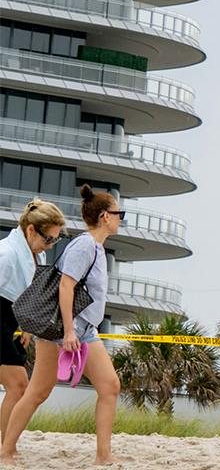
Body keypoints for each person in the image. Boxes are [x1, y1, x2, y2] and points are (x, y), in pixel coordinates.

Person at [1, 187, 121, 465]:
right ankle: (7, 450)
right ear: (105, 216)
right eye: (118, 214)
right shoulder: (84, 246)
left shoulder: (95, 247)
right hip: (68, 332)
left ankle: (103, 455)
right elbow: (65, 287)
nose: (120, 219)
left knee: (103, 386)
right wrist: (68, 331)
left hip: (81, 330)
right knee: (41, 390)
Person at [0, 201, 62, 439]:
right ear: (30, 230)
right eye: (48, 239)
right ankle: (6, 448)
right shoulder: (6, 254)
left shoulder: (36, 254)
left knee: (17, 387)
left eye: (55, 240)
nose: (50, 244)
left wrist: (25, 327)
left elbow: (25, 295)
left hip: (8, 323)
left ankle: (6, 447)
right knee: (18, 385)